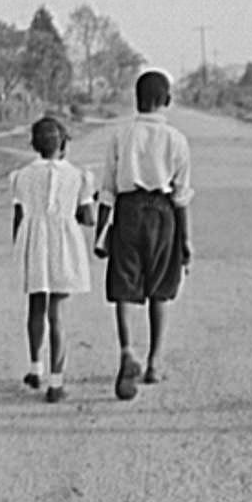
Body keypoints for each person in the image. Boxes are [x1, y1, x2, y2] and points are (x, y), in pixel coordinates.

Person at [95, 69, 193, 401]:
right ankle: (154, 362)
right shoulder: (177, 139)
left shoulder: (121, 135)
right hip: (163, 214)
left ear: (136, 99)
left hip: (128, 211)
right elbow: (181, 196)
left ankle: (126, 350)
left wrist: (100, 233)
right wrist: (185, 239)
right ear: (167, 100)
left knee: (124, 285)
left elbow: (107, 188)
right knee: (160, 289)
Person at [10, 117, 95, 402]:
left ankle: (35, 369)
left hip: (33, 243)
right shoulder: (79, 176)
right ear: (64, 144)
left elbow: (19, 218)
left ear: (34, 145)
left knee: (35, 307)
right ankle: (56, 383)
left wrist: (19, 249)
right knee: (56, 314)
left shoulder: (21, 176)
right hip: (62, 243)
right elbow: (88, 218)